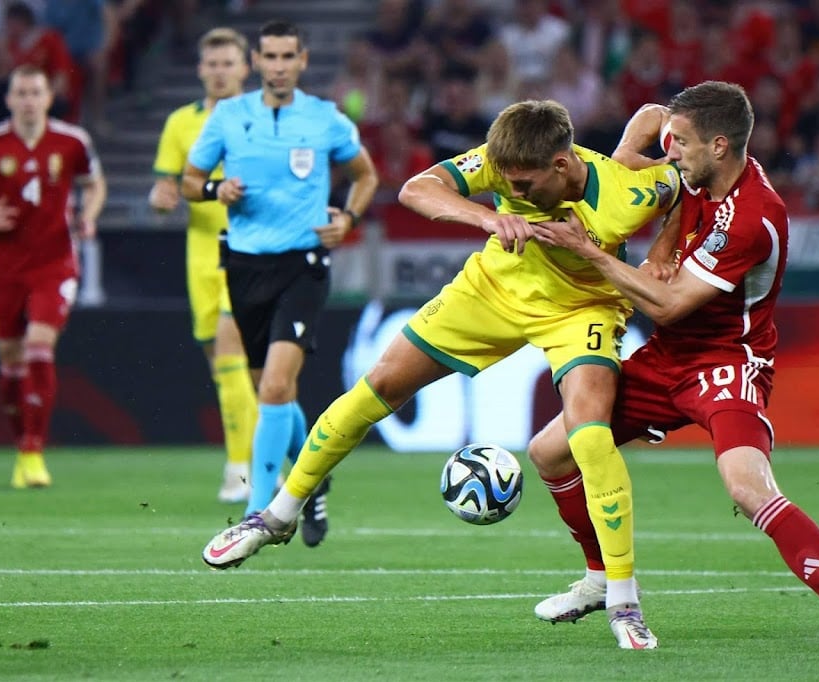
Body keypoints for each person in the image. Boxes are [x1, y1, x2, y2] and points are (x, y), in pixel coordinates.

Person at [201, 98, 683, 651]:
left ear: (561, 162)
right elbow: (416, 188)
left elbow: (687, 181)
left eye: (524, 185)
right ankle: (276, 516)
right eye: (509, 184)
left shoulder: (628, 195)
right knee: (379, 385)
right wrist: (486, 215)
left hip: (582, 311)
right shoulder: (507, 163)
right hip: (490, 291)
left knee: (589, 434)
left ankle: (623, 599)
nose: (515, 193)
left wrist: (665, 243)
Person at [528, 80, 819, 651]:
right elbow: (650, 118)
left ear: (720, 146)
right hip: (665, 358)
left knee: (747, 487)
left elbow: (671, 301)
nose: (668, 153)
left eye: (679, 144)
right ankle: (600, 578)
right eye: (671, 142)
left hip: (726, 361)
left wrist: (589, 251)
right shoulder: (692, 166)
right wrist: (661, 230)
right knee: (549, 451)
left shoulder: (754, 215)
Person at [181, 20, 379, 547]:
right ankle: (311, 482)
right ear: (258, 61)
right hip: (245, 267)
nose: (278, 65)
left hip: (304, 265)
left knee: (273, 386)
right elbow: (188, 182)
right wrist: (217, 188)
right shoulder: (229, 116)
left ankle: (258, 511)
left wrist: (348, 221)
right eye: (269, 56)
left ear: (303, 59)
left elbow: (366, 175)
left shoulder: (323, 119)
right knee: (269, 391)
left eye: (287, 55)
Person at [0, 64, 106, 488]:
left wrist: (88, 217)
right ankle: (22, 446)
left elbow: (95, 184)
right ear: (9, 99)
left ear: (48, 97)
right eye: (22, 93)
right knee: (10, 364)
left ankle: (35, 450)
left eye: (36, 92)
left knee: (39, 347)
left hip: (55, 264)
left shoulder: (72, 141)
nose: (29, 100)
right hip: (5, 269)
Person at [148, 27, 258, 504]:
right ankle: (270, 455)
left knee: (234, 352)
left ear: (244, 67)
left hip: (249, 249)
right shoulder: (180, 123)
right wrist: (160, 198)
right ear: (200, 70)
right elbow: (164, 190)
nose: (219, 71)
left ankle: (241, 470)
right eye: (211, 64)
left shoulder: (261, 119)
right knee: (225, 368)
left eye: (227, 63)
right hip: (199, 253)